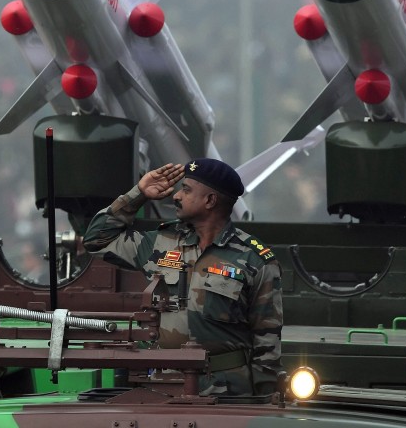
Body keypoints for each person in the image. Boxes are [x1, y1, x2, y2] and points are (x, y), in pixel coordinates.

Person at [83, 159, 282, 397]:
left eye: (186, 190)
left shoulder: (255, 259)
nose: (176, 196)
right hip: (164, 384)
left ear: (210, 200)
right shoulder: (161, 242)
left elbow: (267, 337)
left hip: (226, 390)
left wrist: (264, 398)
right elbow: (97, 239)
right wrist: (139, 193)